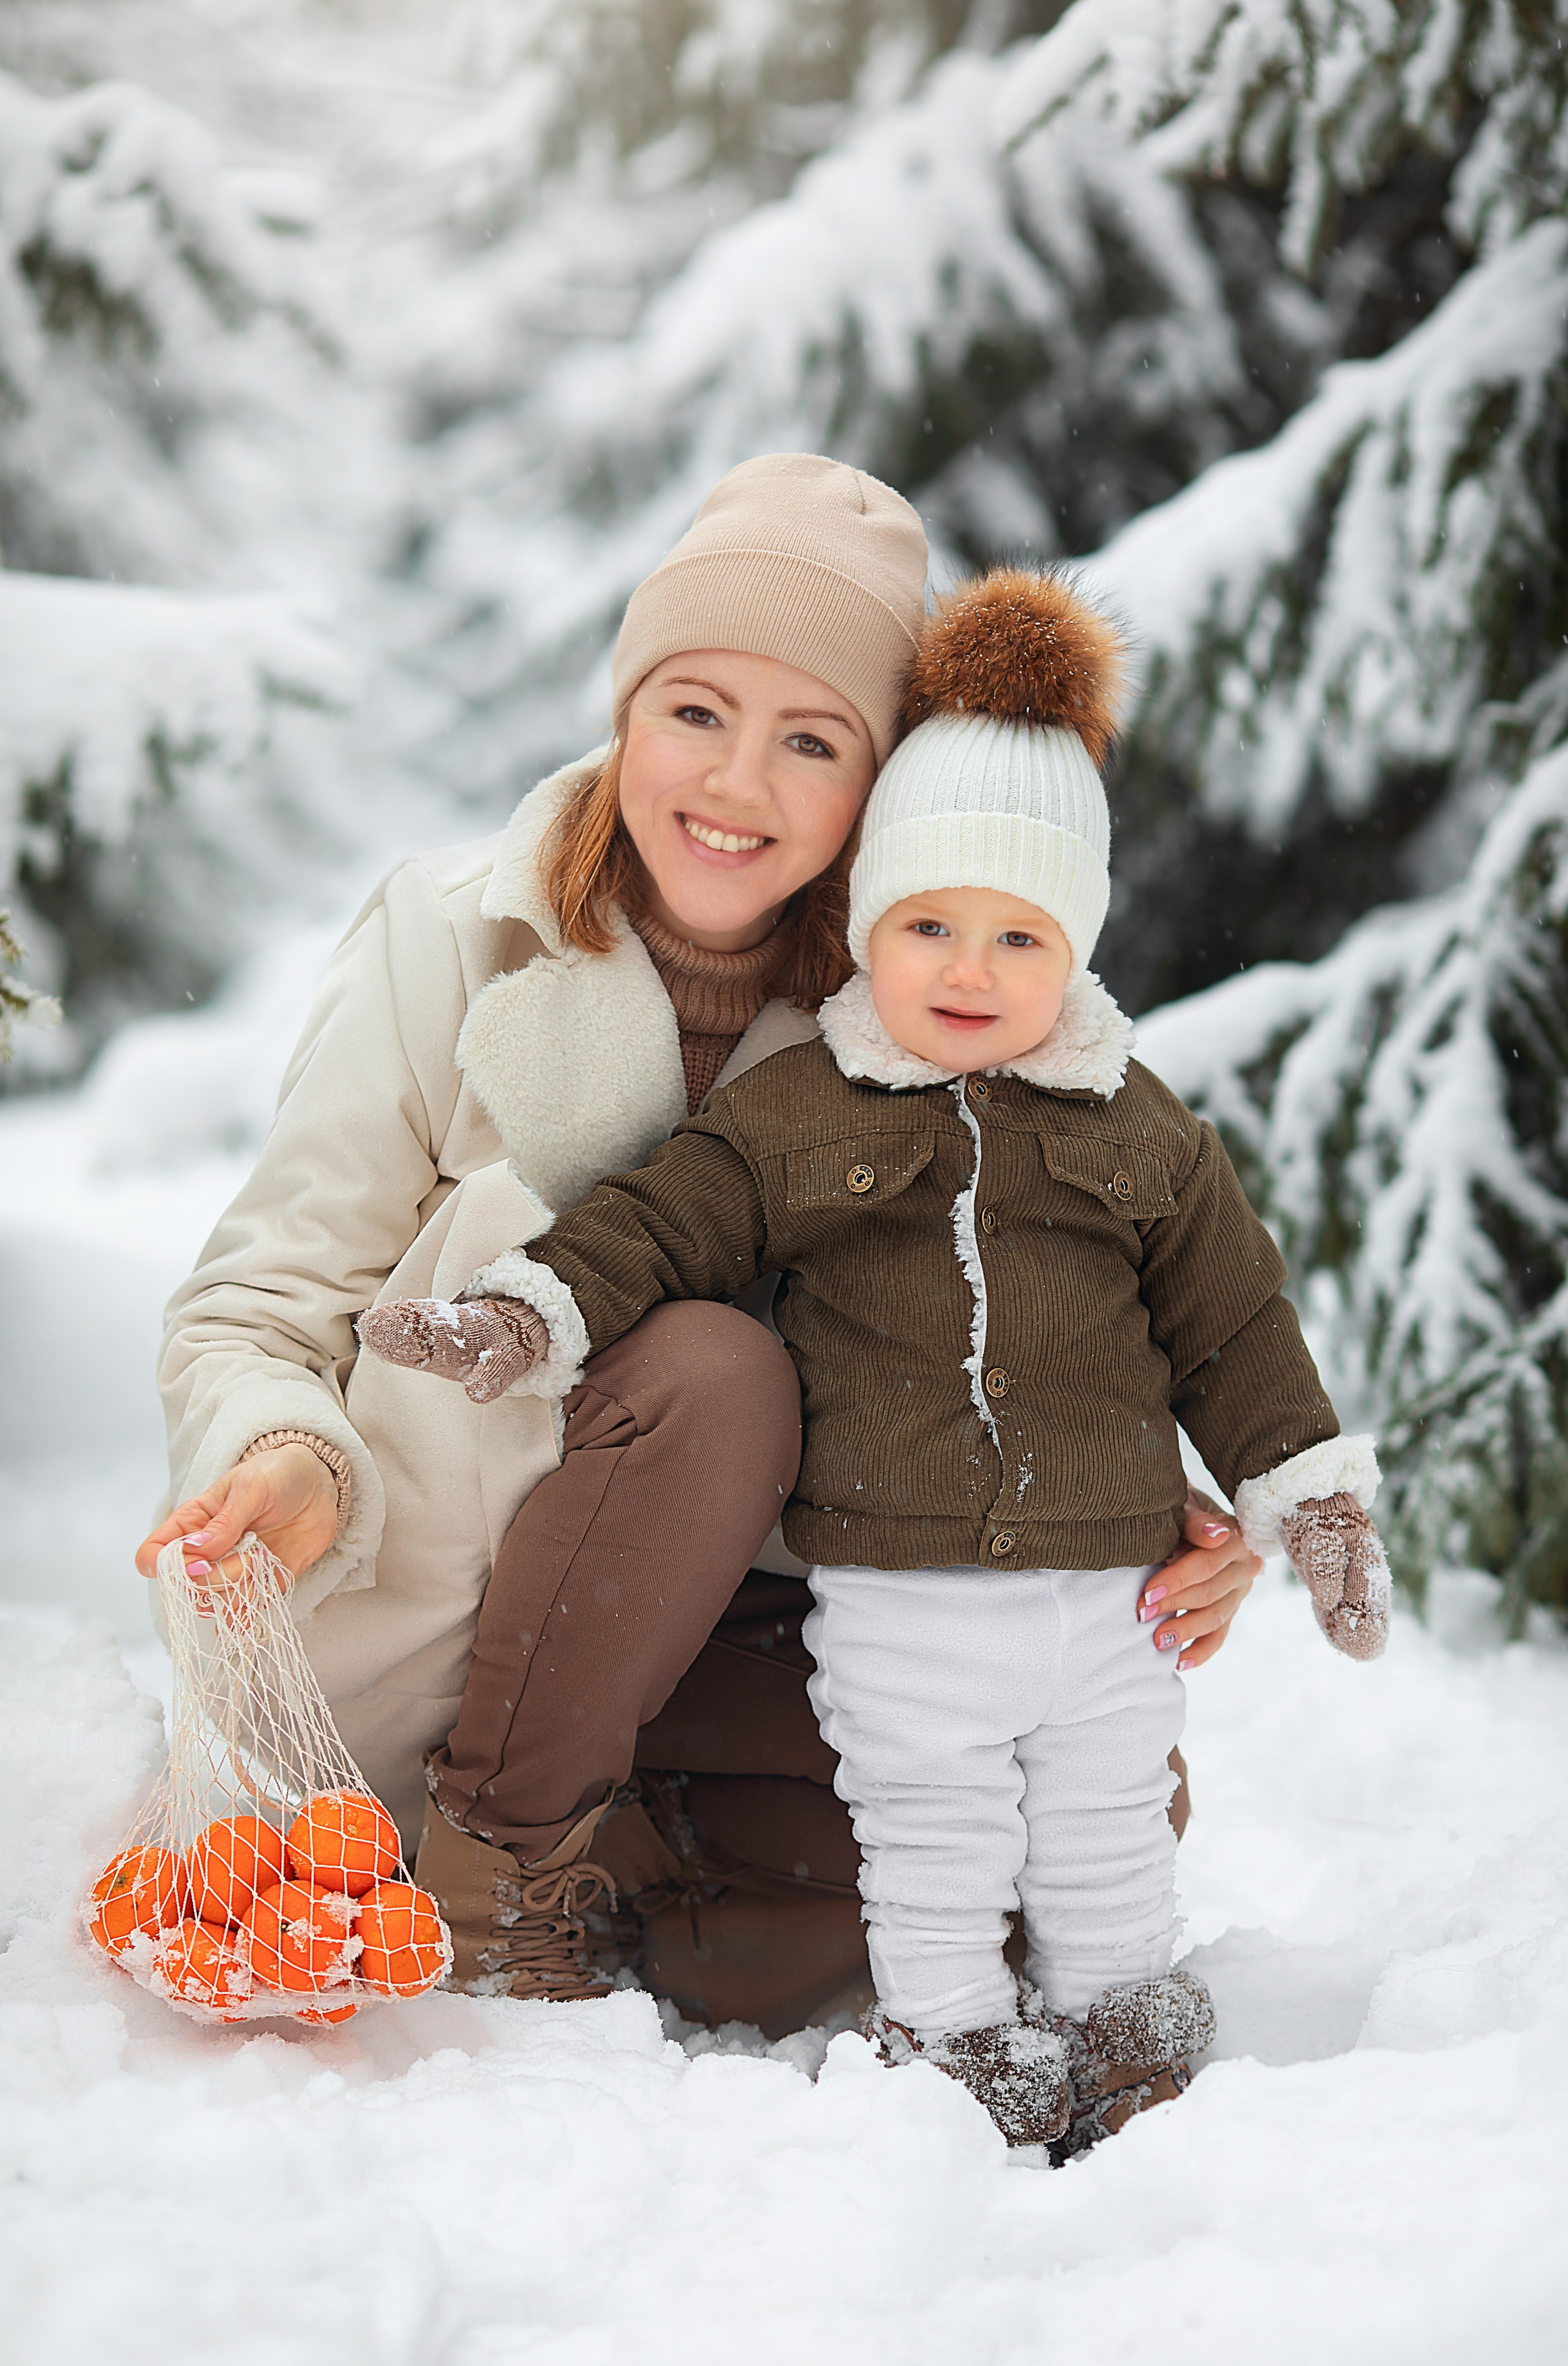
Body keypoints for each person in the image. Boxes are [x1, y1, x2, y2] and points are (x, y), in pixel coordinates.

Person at [138, 461, 1261, 2035]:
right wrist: (290, 1454)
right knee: (710, 1366)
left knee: (1092, 1813)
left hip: (733, 1629)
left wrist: (1139, 1503)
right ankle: (482, 1858)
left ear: (875, 791)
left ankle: (631, 1868)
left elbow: (1025, 1311)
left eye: (810, 740)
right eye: (693, 710)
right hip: (448, 1607)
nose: (734, 781)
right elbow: (263, 1294)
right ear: (625, 711)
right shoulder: (446, 930)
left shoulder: (919, 1015)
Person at [362, 567, 1390, 2146]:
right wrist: (525, 1309)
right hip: (900, 1592)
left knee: (1114, 1829)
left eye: (1015, 935)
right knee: (933, 1828)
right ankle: (955, 2040)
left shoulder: (1142, 1135)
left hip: (1101, 1587)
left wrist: (1302, 1496)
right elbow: (661, 1219)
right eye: (926, 924)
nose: (967, 970)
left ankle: (1125, 2031)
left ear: (1079, 947)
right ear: (869, 922)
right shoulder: (803, 1110)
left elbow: (1234, 1320)